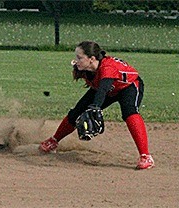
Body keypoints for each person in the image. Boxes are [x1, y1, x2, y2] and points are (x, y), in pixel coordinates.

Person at [39, 41, 155, 170]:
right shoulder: (85, 69)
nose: (76, 61)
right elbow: (99, 88)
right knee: (77, 111)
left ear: (92, 59)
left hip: (128, 87)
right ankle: (53, 141)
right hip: (105, 87)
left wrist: (95, 107)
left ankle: (146, 156)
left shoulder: (108, 67)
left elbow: (103, 89)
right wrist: (90, 107)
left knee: (129, 112)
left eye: (79, 58)